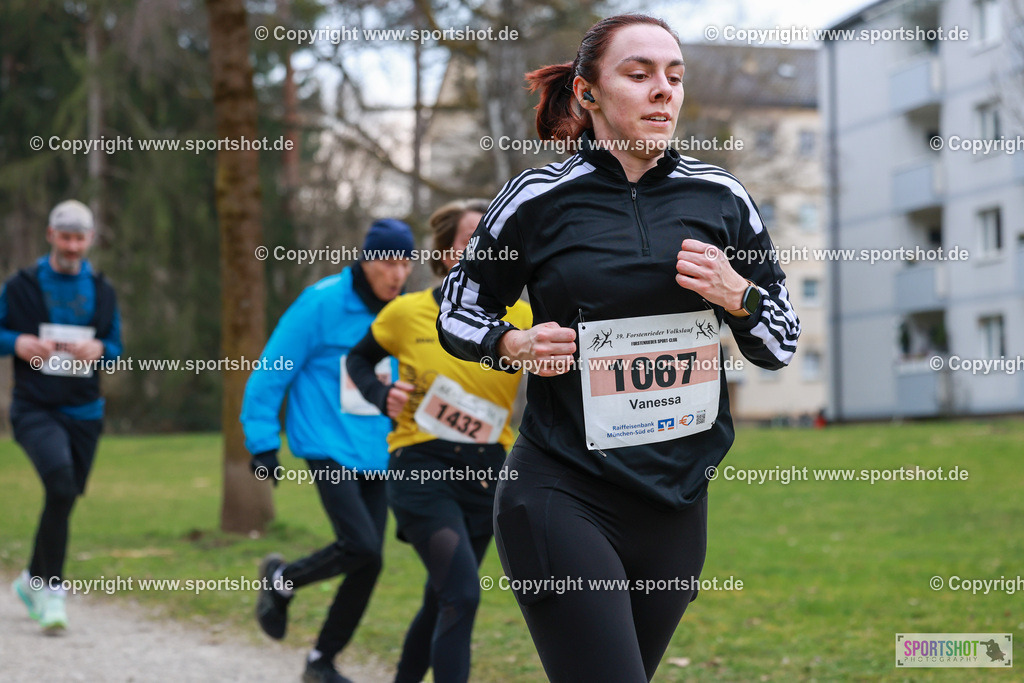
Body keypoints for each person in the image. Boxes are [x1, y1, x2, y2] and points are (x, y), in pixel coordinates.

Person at [436, 14, 801, 683]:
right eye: (639, 74)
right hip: (562, 488)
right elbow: (457, 309)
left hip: (676, 502)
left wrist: (738, 296)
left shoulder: (721, 198)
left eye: (675, 76)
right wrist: (512, 341)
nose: (663, 89)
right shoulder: (536, 199)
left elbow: (780, 341)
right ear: (588, 93)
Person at [346, 200, 531, 683]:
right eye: (471, 241)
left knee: (443, 598)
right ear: (445, 253)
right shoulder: (407, 313)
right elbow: (357, 360)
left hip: (487, 473)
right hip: (422, 469)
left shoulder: (524, 318)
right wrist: (381, 394)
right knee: (461, 595)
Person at [241, 218, 414, 683]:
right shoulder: (321, 303)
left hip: (378, 451)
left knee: (369, 561)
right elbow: (271, 370)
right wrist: (262, 443)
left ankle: (321, 660)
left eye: (405, 263)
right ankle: (282, 581)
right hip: (326, 443)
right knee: (360, 545)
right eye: (388, 262)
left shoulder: (402, 313)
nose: (397, 274)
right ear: (366, 259)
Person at [1, 199, 123, 633]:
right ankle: (52, 590)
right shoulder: (22, 285)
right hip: (35, 407)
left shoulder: (103, 290)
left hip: (85, 411)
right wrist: (16, 343)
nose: (72, 246)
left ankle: (31, 580)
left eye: (79, 238)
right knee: (60, 483)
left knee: (64, 496)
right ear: (51, 235)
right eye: (65, 237)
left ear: (90, 239)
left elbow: (116, 346)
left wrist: (101, 349)